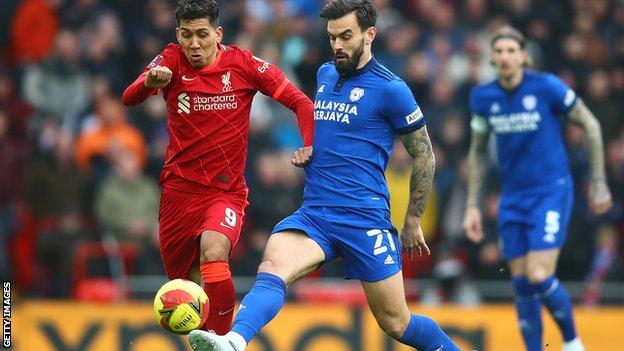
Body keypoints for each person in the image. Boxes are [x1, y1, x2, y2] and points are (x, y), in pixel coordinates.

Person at [189, 1, 459, 350]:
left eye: (346, 36)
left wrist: (413, 219)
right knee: (273, 264)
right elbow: (329, 131)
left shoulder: (392, 89)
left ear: (369, 34)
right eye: (332, 37)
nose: (337, 46)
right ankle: (235, 341)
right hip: (316, 213)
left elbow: (425, 155)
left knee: (396, 322)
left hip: (365, 218)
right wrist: (309, 147)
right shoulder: (325, 74)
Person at [121, 0, 314, 335]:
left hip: (224, 192)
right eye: (186, 35)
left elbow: (300, 102)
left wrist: (310, 144)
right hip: (178, 193)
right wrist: (151, 82)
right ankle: (206, 336)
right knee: (184, 290)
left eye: (202, 34)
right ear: (177, 35)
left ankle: (223, 341)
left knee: (214, 251)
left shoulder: (243, 64)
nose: (194, 44)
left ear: (218, 33)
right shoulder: (170, 59)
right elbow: (128, 97)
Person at [462, 26, 612, 351]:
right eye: (499, 51)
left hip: (550, 190)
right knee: (521, 282)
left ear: (524, 56)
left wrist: (599, 182)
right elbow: (476, 152)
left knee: (539, 273)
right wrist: (473, 204)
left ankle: (572, 342)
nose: (504, 56)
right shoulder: (483, 97)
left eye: (511, 51)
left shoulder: (546, 87)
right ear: (491, 57)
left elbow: (590, 123)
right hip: (512, 197)